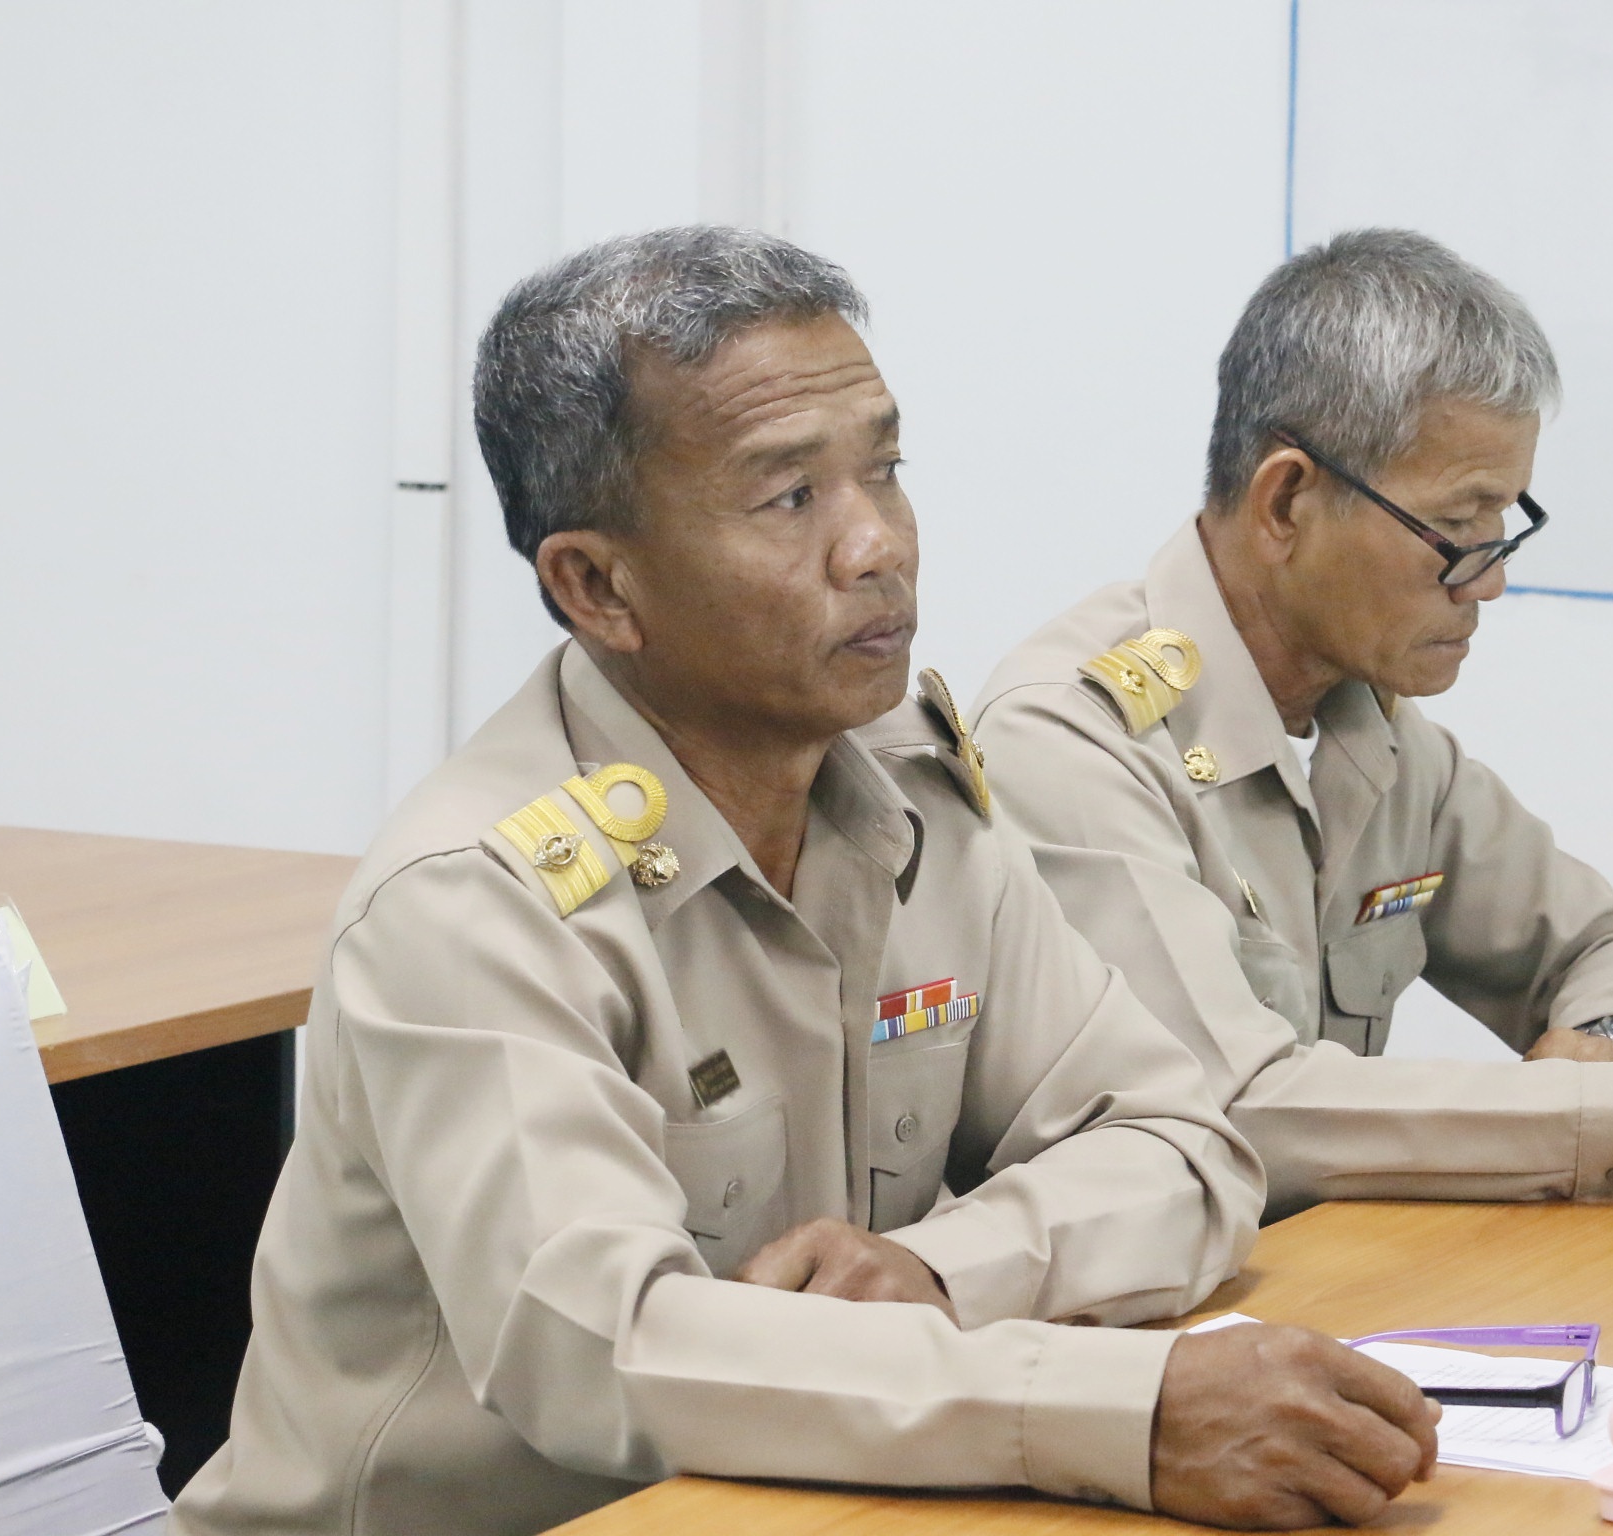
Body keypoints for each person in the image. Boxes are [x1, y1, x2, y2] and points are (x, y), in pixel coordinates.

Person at [173, 227, 1441, 1536]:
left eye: (884, 469)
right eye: (790, 498)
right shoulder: (472, 902)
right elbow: (604, 1348)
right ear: (597, 585)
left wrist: (938, 1276)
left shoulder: (913, 799)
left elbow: (1182, 1145)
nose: (876, 544)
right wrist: (1116, 1411)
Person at [973, 229, 1613, 1228]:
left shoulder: (1364, 723)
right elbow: (1233, 1106)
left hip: (1324, 1273)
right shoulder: (1072, 739)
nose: (1488, 582)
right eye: (1458, 530)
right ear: (1287, 502)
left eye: (1504, 525)